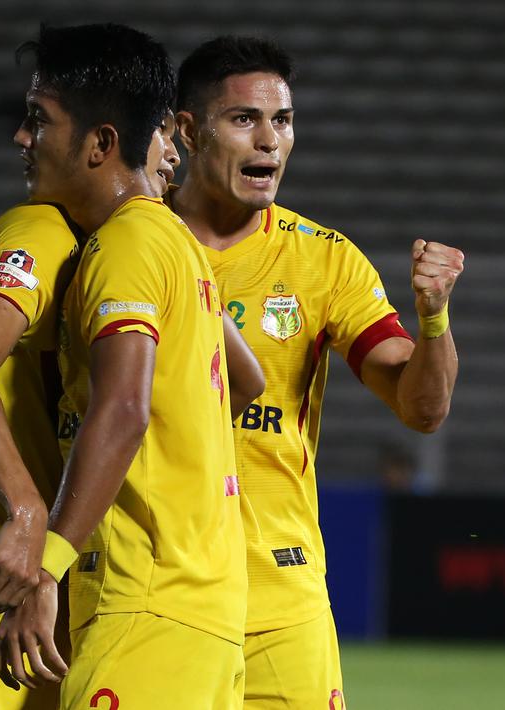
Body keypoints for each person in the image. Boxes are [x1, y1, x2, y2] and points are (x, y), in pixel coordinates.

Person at [168, 36, 463, 708]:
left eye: (283, 120)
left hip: (279, 591)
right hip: (154, 585)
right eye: (244, 120)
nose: (269, 141)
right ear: (188, 130)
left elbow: (421, 409)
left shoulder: (323, 261)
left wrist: (434, 319)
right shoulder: (131, 244)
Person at [0, 24, 261, 710]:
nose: (24, 140)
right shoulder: (178, 241)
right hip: (206, 608)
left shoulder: (125, 245)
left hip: (144, 604)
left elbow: (124, 409)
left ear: (101, 143)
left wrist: (44, 570)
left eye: (39, 121)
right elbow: (244, 379)